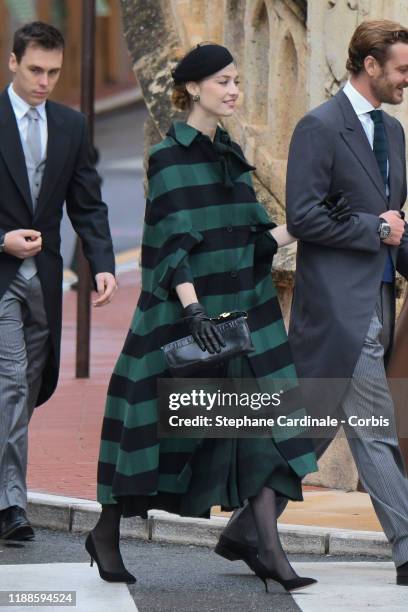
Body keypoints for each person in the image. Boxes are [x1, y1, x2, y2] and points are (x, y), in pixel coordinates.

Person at [87, 43, 322, 591]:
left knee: (268, 429)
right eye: (223, 81)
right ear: (192, 88)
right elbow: (172, 247)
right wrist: (193, 310)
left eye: (237, 79)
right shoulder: (167, 157)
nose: (234, 90)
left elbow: (253, 242)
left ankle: (266, 548)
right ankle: (105, 531)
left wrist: (305, 223)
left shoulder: (231, 153)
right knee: (150, 438)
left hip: (241, 316)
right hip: (179, 320)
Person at [215, 19, 408, 587]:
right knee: (374, 425)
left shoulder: (394, 133)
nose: (407, 78)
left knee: (315, 422)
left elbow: (395, 223)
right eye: (400, 68)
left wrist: (392, 236)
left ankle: (248, 529)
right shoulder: (319, 126)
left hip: (378, 297)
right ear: (369, 65)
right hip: (334, 306)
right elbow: (304, 216)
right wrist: (375, 230)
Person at [0, 22, 116, 542]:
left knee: (29, 386)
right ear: (12, 62)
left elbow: (87, 202)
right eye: (34, 70)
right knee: (9, 385)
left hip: (44, 280)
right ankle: (11, 505)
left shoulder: (70, 125)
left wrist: (103, 262)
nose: (44, 81)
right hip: (2, 273)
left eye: (53, 72)